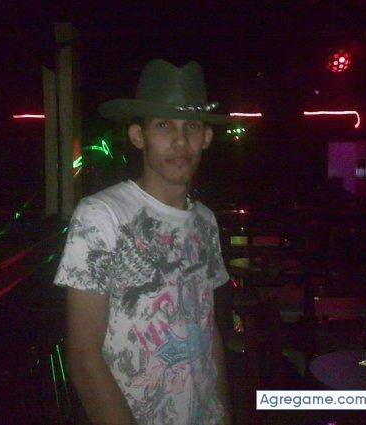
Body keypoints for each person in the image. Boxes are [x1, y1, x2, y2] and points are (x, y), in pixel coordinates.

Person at [54, 59, 234, 424]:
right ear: (139, 136)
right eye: (164, 125)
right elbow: (83, 357)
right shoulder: (101, 216)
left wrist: (224, 413)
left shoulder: (206, 221)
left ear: (206, 137)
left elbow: (208, 328)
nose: (180, 141)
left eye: (191, 126)